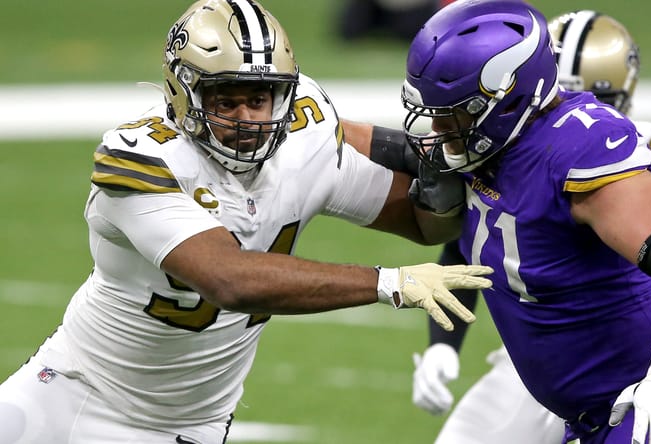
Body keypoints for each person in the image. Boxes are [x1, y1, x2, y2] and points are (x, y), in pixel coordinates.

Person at [0, 1, 494, 442]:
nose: (247, 119)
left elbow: (426, 225)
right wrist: (390, 282)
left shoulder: (304, 134)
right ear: (183, 95)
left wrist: (440, 173)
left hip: (184, 425)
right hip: (70, 386)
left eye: (258, 99)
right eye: (226, 101)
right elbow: (228, 279)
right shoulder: (140, 155)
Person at [399, 9, 651, 444]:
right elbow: (476, 243)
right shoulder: (492, 149)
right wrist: (443, 344)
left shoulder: (609, 152)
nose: (574, 107)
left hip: (645, 377)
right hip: (559, 371)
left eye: (595, 96)